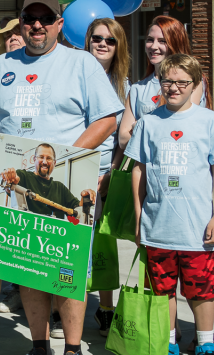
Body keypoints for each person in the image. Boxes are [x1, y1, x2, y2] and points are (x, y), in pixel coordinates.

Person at [0, 0, 123, 355]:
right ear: (20, 24)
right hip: (15, 184)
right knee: (27, 267)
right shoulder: (1, 67)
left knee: (65, 271)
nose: (36, 26)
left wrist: (67, 157)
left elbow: (108, 118)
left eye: (45, 20)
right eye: (29, 19)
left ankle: (73, 351)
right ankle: (38, 348)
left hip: (65, 182)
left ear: (58, 24)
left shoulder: (81, 63)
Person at [125, 54, 214, 355]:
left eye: (182, 82)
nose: (173, 87)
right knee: (162, 290)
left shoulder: (208, 121)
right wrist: (138, 213)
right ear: (159, 82)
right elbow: (138, 170)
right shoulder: (148, 122)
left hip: (196, 228)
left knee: (201, 291)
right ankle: (168, 342)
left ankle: (206, 345)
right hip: (158, 226)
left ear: (195, 84)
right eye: (167, 81)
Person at [83, 17, 131, 338]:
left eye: (110, 40)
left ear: (118, 47)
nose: (102, 43)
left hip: (105, 173)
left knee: (103, 242)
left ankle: (105, 307)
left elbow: (124, 138)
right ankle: (63, 310)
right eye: (97, 38)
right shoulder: (73, 76)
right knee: (71, 240)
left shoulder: (126, 86)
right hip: (74, 169)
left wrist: (112, 174)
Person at [117, 15, 211, 148]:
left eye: (162, 41)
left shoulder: (193, 82)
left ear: (176, 43)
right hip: (146, 167)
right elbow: (123, 139)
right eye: (150, 40)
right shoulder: (138, 88)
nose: (154, 46)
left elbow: (180, 126)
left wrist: (139, 126)